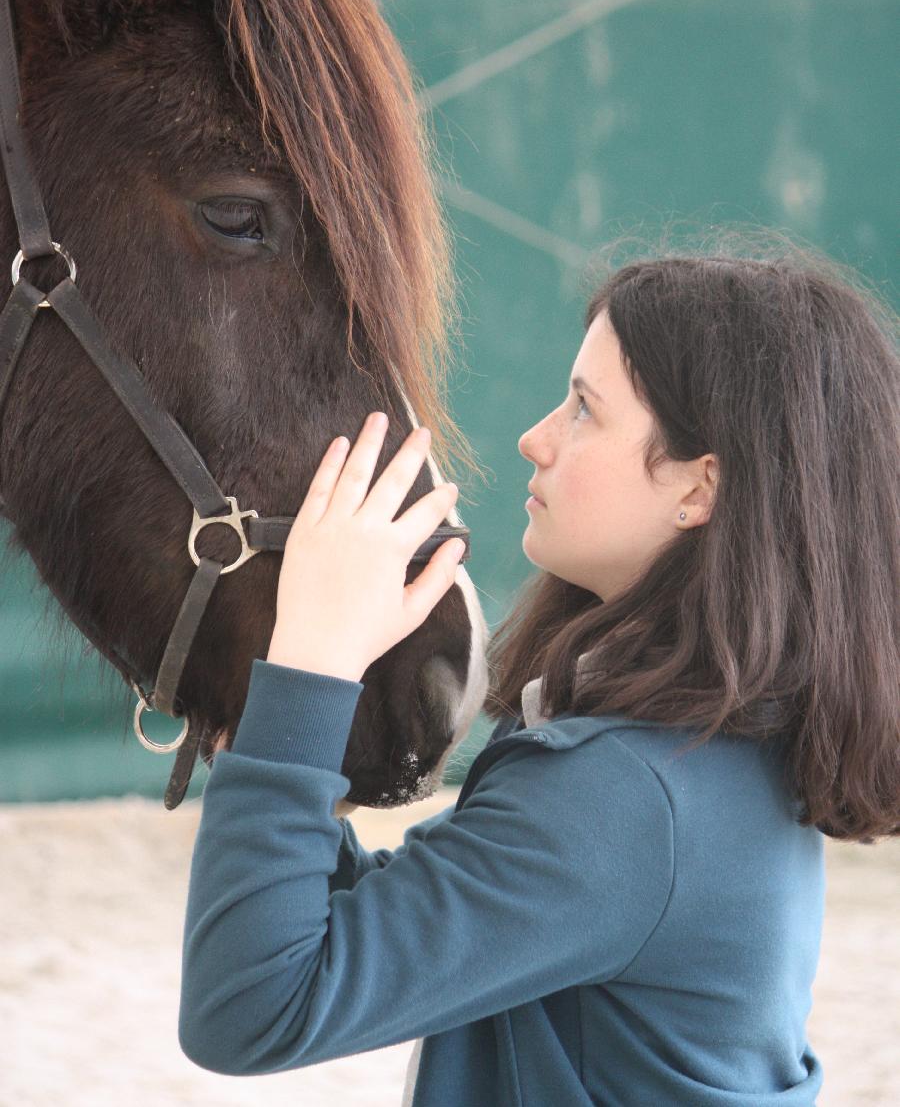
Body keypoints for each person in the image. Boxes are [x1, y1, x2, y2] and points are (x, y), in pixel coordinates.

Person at [178, 240, 899, 1105]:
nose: (535, 438)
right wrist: (280, 715)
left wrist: (312, 663)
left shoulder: (628, 797)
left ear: (699, 488)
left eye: (585, 411)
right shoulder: (711, 750)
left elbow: (251, 1006)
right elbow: (414, 930)